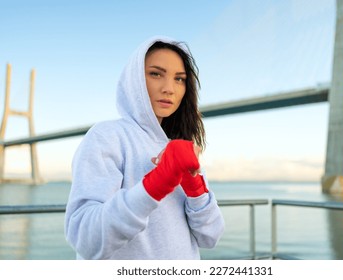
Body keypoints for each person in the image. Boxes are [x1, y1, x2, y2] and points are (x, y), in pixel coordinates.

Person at [64, 36, 225, 260]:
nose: (169, 88)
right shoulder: (106, 136)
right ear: (135, 79)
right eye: (156, 74)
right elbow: (84, 238)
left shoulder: (179, 146)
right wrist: (156, 183)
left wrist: (195, 188)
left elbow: (211, 237)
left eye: (179, 79)